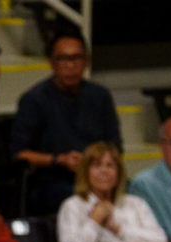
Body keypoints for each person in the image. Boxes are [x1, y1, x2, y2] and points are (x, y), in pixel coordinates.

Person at [11, 32, 122, 216]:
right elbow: (20, 154)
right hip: (53, 179)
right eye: (63, 59)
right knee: (72, 198)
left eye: (76, 58)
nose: (70, 65)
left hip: (98, 175)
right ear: (51, 63)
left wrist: (93, 163)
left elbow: (115, 146)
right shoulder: (34, 100)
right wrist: (59, 160)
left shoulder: (100, 96)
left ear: (86, 61)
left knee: (131, 191)